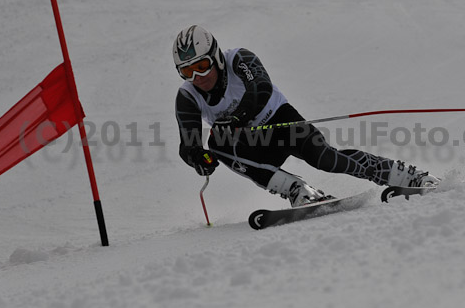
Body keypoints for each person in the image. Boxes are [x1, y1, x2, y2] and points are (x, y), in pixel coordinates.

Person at [174, 25, 439, 207]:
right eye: (188, 72)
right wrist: (199, 158)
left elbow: (261, 89)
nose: (198, 77)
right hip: (252, 146)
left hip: (280, 121)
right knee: (216, 145)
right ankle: (299, 191)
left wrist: (236, 119)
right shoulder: (187, 96)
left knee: (324, 158)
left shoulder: (239, 59)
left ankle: (405, 177)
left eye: (202, 66)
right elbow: (189, 144)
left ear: (216, 57)